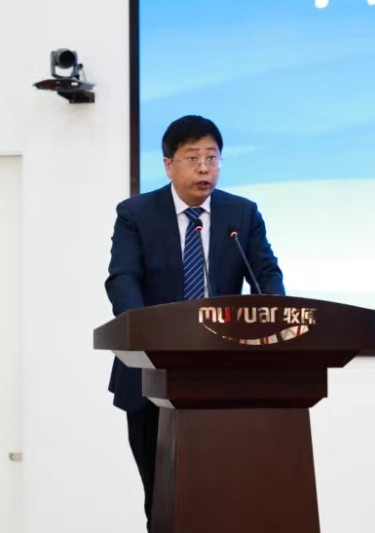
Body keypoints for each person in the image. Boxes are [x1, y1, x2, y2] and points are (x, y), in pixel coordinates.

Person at [104, 115, 285, 531]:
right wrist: (142, 331)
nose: (205, 168)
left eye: (212, 158)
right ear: (169, 165)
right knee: (162, 499)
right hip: (150, 373)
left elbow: (266, 274)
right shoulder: (136, 214)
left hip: (225, 371)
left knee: (225, 494)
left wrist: (273, 318)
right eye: (193, 158)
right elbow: (122, 278)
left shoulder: (242, 213)